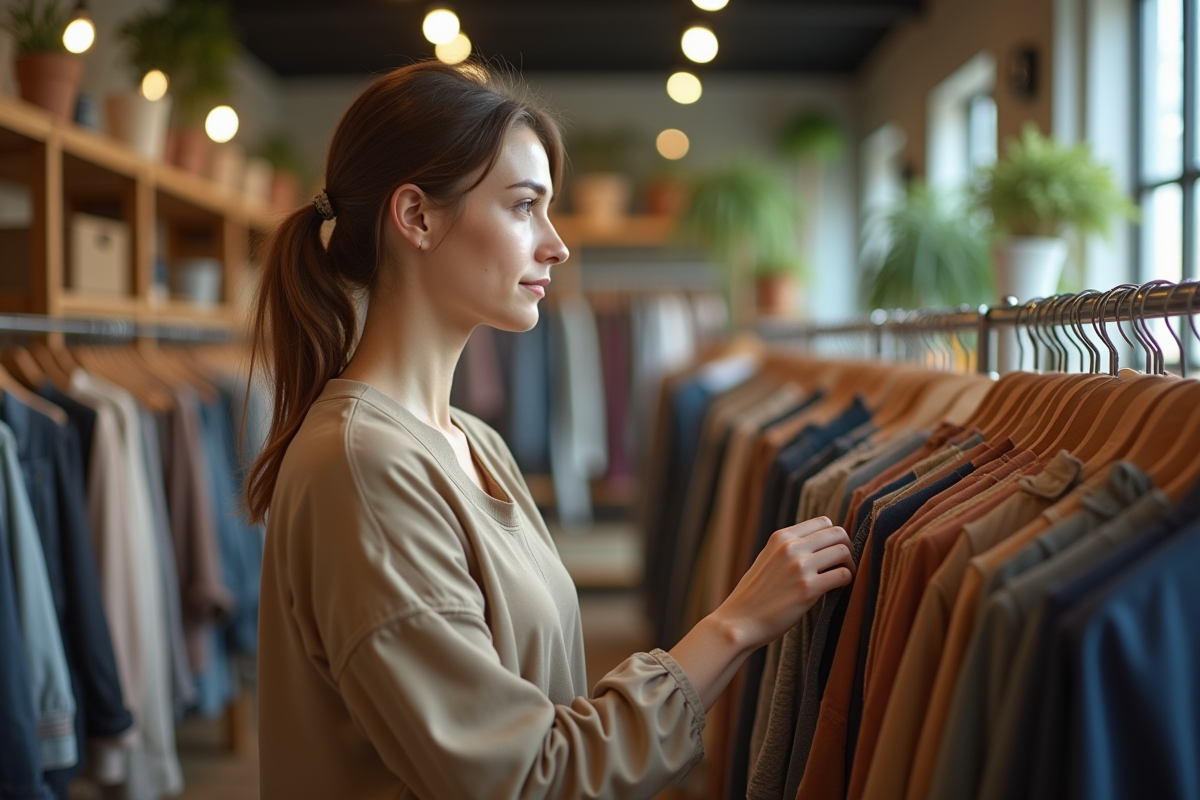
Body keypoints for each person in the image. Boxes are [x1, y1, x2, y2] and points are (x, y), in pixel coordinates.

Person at [245, 61, 855, 800]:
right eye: (523, 206)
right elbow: (527, 777)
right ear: (417, 217)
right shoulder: (365, 469)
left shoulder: (472, 441)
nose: (556, 244)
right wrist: (732, 626)